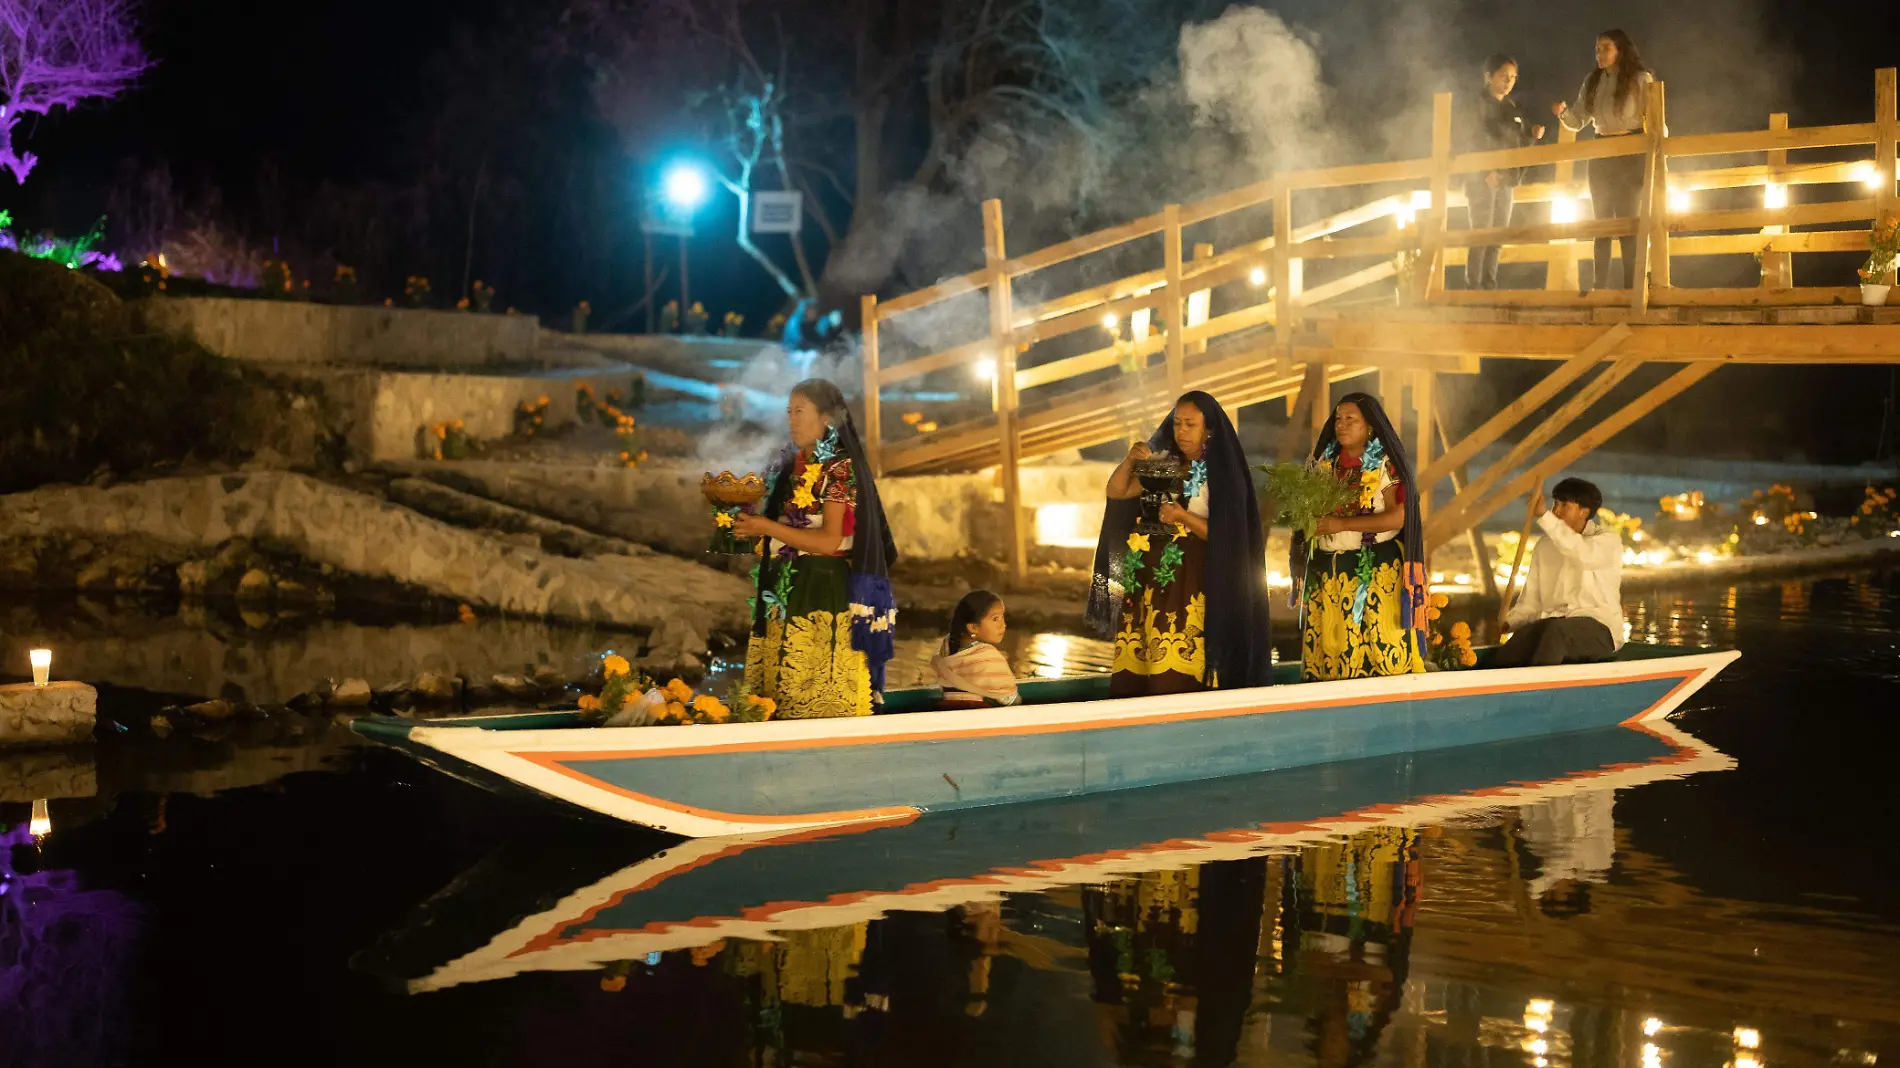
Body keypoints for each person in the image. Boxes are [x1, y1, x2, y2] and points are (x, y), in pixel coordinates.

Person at [1087, 391, 1274, 695]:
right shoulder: (1165, 465)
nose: (1182, 431)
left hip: (1192, 579)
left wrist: (1182, 516)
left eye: (1190, 424)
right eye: (1177, 424)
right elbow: (1118, 492)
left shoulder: (1223, 473)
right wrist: (1130, 460)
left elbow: (1229, 536)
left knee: (1175, 667)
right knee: (1142, 661)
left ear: (1208, 430)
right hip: (1151, 579)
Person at [732, 378, 898, 717]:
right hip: (786, 587)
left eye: (800, 411)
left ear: (826, 419)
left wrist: (765, 526)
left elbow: (829, 540)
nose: (791, 420)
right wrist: (751, 530)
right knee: (776, 692)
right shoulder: (790, 466)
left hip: (823, 588)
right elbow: (785, 530)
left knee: (813, 698)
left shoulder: (838, 468)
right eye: (789, 411)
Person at [1297, 393, 1428, 680]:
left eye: (1350, 419)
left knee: (1381, 656)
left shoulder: (1384, 465)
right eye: (1338, 419)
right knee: (1332, 658)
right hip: (1329, 575)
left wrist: (1339, 524)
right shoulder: (1322, 466)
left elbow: (1398, 517)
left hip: (1376, 573)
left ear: (1369, 427)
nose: (1341, 425)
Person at [1552, 29, 1656, 292]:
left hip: (1630, 150)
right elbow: (1579, 119)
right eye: (1597, 49)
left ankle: (1632, 287)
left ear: (1620, 50)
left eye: (1606, 48)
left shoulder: (1639, 79)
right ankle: (1600, 286)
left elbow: (1656, 119)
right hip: (1601, 150)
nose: (1599, 54)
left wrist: (1658, 147)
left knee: (1628, 221)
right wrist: (1563, 113)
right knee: (1601, 221)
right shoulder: (1593, 80)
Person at [1493, 478, 1625, 667]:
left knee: (1556, 632)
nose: (1555, 511)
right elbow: (1531, 603)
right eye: (1555, 504)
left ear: (1584, 512)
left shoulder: (1607, 542)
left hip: (1599, 629)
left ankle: (1538, 691)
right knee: (1522, 639)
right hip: (1553, 625)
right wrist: (1508, 624)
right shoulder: (1545, 547)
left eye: (1564, 505)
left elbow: (1581, 553)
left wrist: (1543, 515)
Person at [1465, 54, 1546, 290]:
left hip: (1506, 179)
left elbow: (1517, 146)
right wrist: (1484, 173)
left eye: (1512, 77)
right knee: (1481, 233)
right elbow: (1469, 140)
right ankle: (1473, 287)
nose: (1508, 81)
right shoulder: (1476, 105)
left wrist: (1532, 136)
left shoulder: (1511, 108)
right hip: (1482, 178)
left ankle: (1489, 285)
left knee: (1498, 234)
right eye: (1503, 76)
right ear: (1488, 76)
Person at [932, 590, 1020, 709]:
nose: (1003, 624)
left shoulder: (947, 645)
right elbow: (1008, 698)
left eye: (1002, 617)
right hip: (980, 715)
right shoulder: (988, 657)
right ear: (973, 627)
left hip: (946, 709)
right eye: (995, 619)